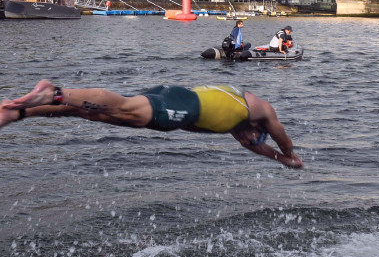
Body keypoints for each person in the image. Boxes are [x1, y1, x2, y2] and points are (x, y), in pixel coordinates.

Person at [0, 80, 303, 168]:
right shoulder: (260, 110)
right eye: (252, 138)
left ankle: (21, 114)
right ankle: (55, 92)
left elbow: (259, 147)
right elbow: (281, 136)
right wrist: (288, 155)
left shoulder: (241, 123)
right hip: (182, 106)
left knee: (95, 113)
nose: (248, 143)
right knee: (124, 107)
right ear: (256, 128)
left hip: (175, 99)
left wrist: (276, 158)